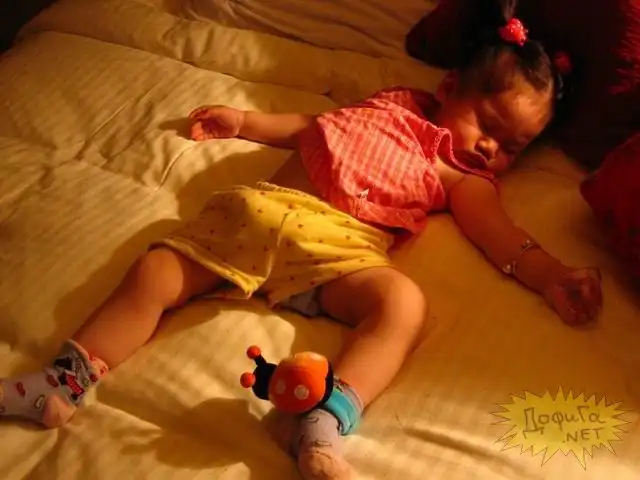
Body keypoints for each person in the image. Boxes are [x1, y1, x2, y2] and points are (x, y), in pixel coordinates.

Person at [0, 1, 602, 478]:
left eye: (513, 148)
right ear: (448, 88)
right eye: (488, 124)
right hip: (258, 213)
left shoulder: (461, 177)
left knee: (404, 304)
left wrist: (552, 276)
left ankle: (323, 420)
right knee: (155, 271)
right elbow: (315, 127)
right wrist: (245, 123)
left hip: (340, 249)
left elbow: (502, 238)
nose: (491, 148)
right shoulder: (391, 104)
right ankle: (62, 381)